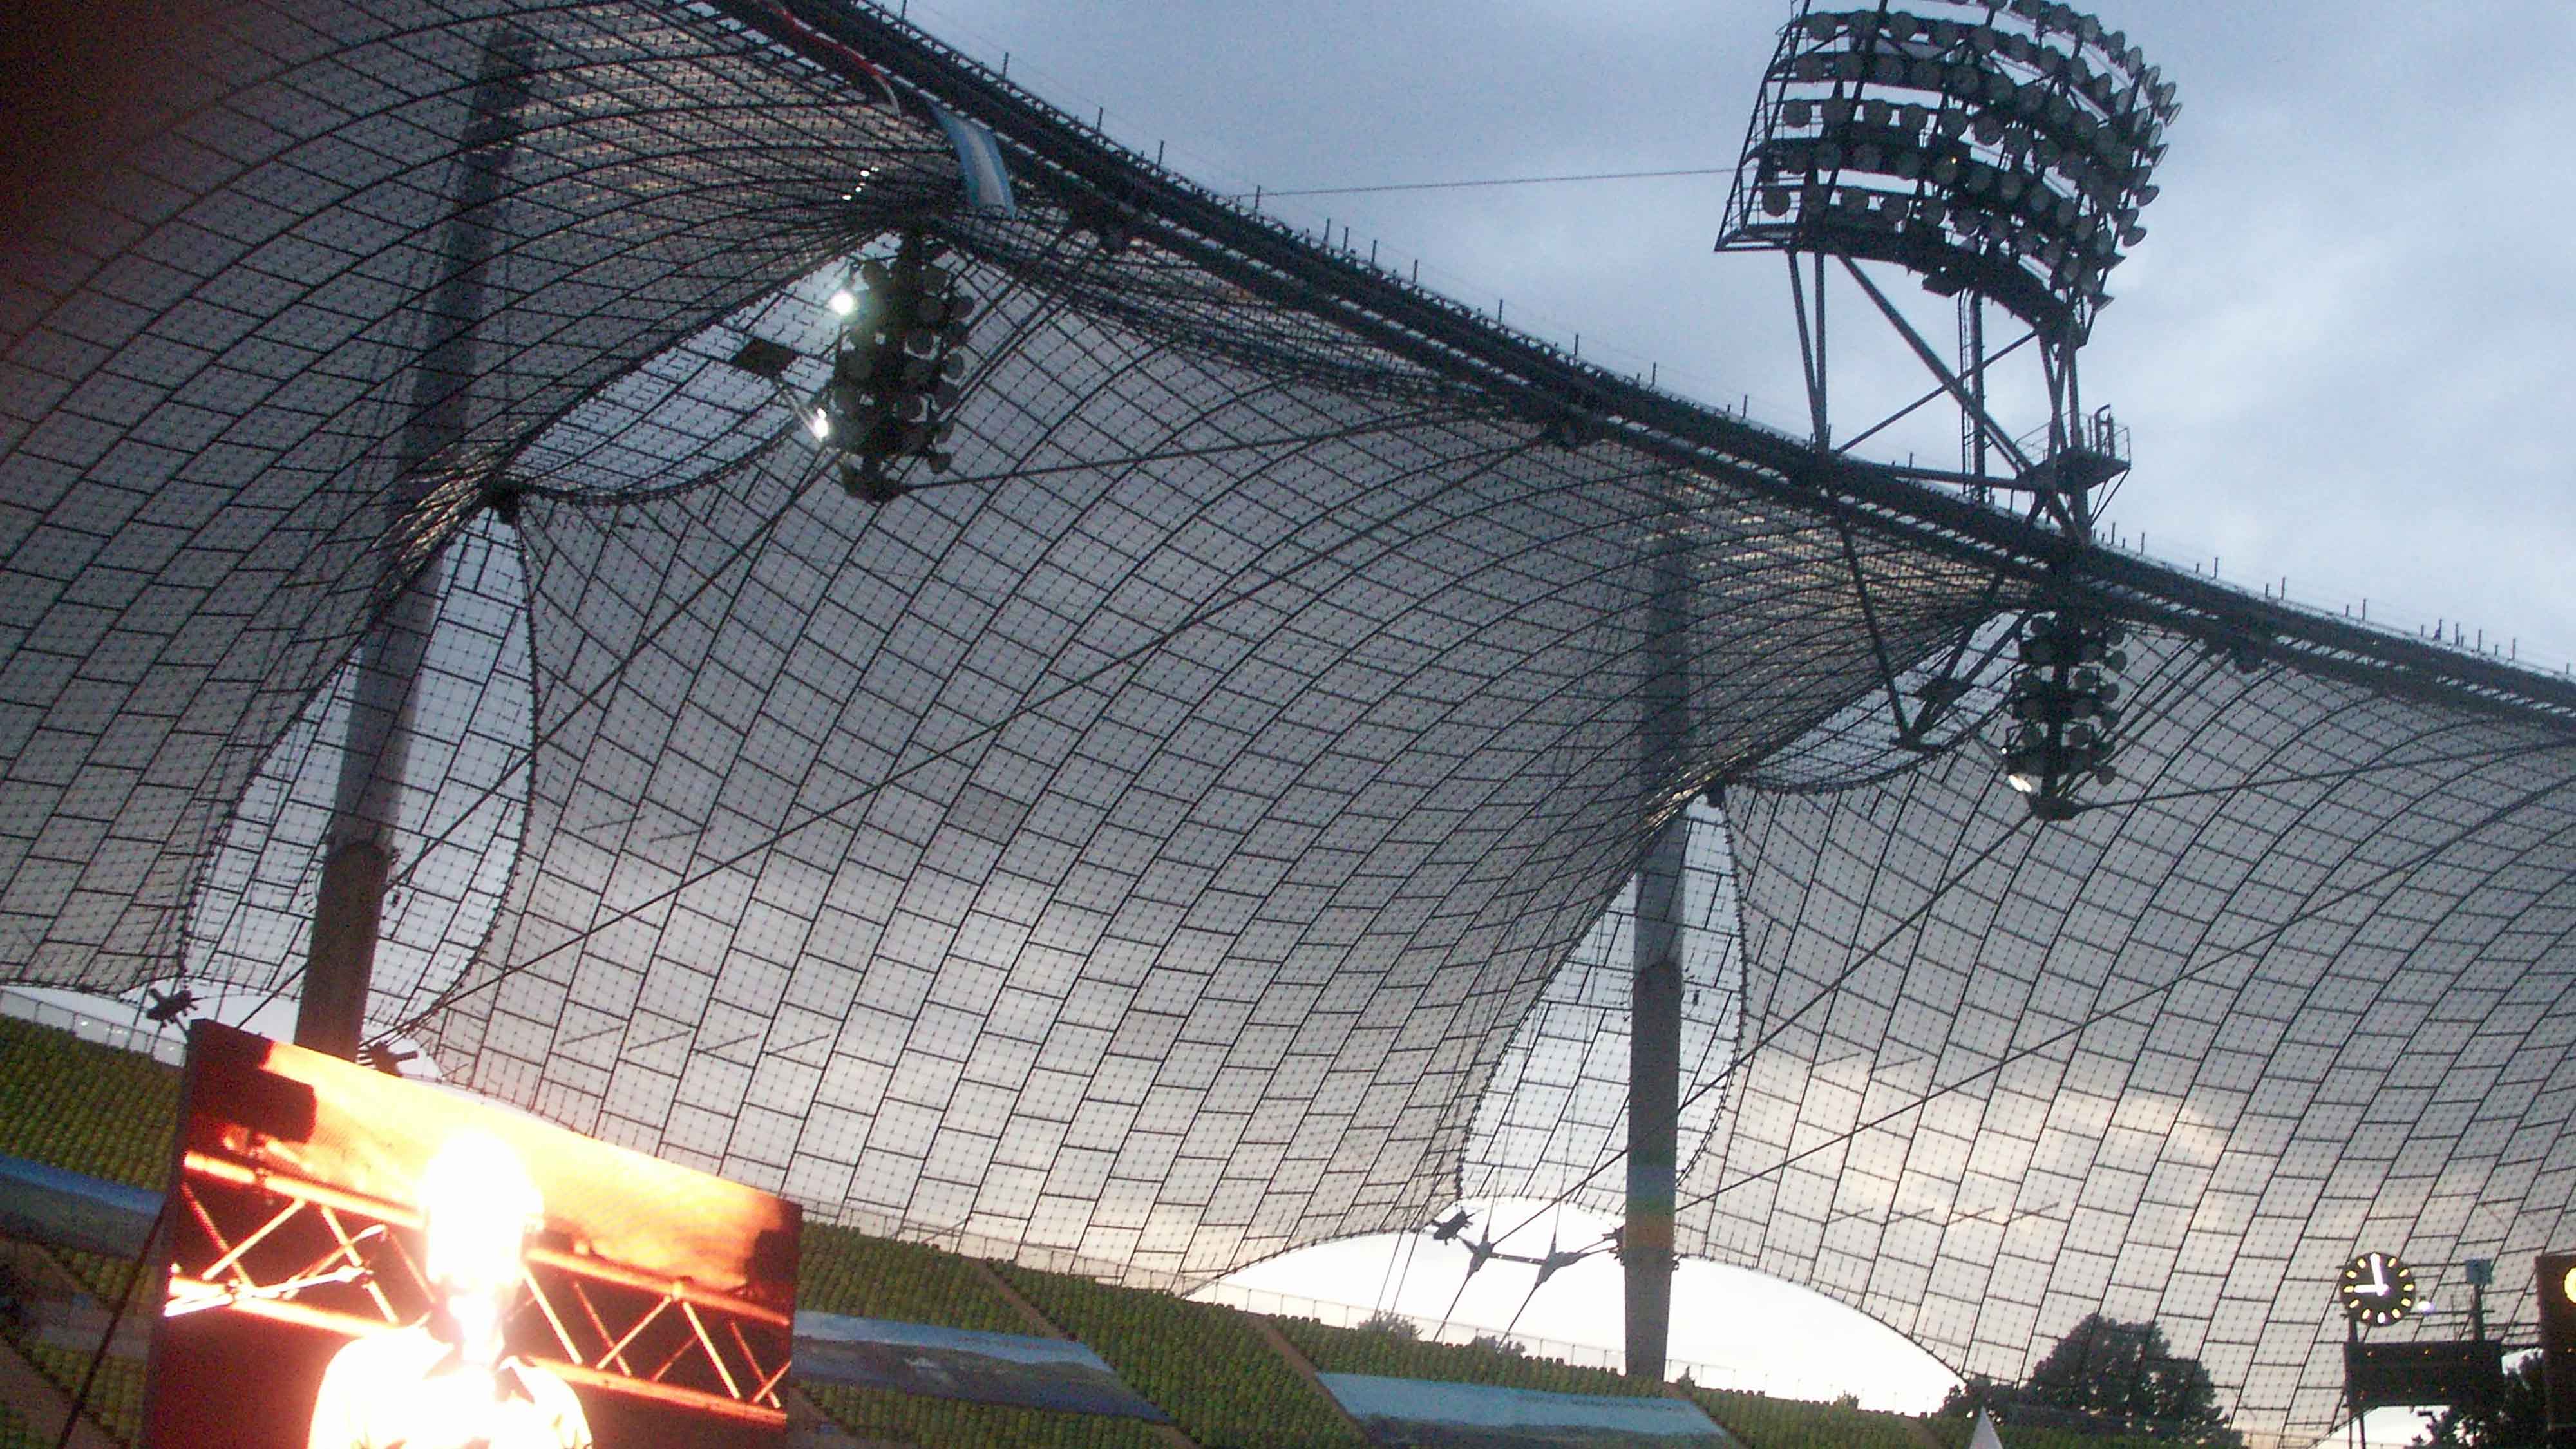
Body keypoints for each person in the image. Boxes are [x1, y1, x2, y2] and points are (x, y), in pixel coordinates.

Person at [307, 1131, 594, 1449]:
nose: (469, 1264)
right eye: (453, 1237)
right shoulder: (363, 1374)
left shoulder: (556, 1406)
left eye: (491, 1242)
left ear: (520, 1261)